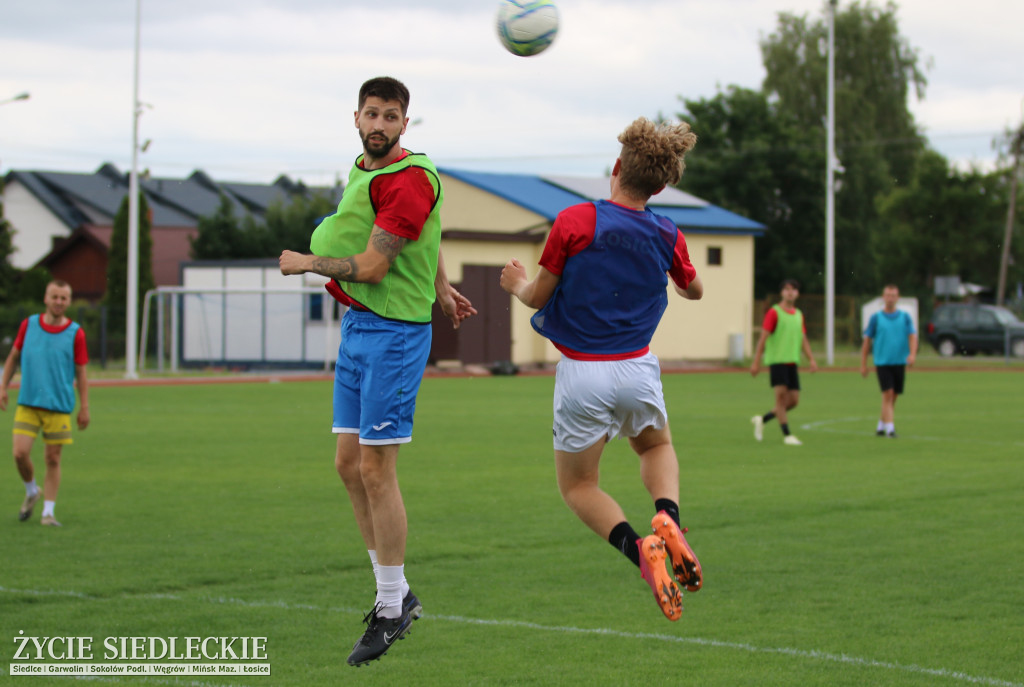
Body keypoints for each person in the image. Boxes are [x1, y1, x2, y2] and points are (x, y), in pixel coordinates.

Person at [279, 76, 475, 667]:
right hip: (360, 330)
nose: (380, 124)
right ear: (357, 118)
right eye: (372, 114)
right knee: (347, 464)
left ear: (405, 125)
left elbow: (369, 265)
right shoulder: (367, 167)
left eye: (392, 116)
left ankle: (393, 606)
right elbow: (426, 236)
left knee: (376, 466)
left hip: (394, 336)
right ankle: (395, 590)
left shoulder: (411, 178)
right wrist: (442, 285)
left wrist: (307, 262)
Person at [500, 117, 704, 622]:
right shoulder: (665, 231)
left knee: (578, 487)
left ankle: (641, 550)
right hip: (638, 368)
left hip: (583, 374)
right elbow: (694, 289)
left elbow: (538, 298)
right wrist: (683, 282)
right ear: (659, 186)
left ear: (616, 169)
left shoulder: (574, 221)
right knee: (656, 445)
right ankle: (668, 517)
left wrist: (515, 283)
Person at [1, 279, 90, 527]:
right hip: (28, 403)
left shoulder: (76, 333)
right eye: (55, 297)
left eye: (64, 298)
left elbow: (81, 372)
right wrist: (2, 387)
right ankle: (32, 491)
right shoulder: (28, 325)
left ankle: (48, 513)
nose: (59, 302)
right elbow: (13, 357)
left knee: (53, 459)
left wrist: (84, 407)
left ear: (69, 301)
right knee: (20, 454)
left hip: (59, 407)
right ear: (46, 298)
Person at [750, 279, 817, 446]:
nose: (790, 292)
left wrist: (811, 359)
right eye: (787, 289)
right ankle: (787, 435)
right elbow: (763, 338)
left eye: (793, 289)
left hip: (792, 362)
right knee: (780, 400)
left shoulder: (799, 315)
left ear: (797, 293)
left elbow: (803, 339)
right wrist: (756, 361)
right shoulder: (774, 312)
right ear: (782, 293)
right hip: (777, 362)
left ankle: (762, 419)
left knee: (793, 401)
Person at [860, 284, 917, 437]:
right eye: (888, 295)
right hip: (882, 362)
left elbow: (912, 336)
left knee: (893, 396)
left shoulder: (905, 317)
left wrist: (912, 354)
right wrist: (863, 364)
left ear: (897, 298)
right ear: (883, 297)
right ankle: (890, 429)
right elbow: (867, 342)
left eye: (893, 296)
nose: (890, 299)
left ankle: (881, 425)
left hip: (899, 361)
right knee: (888, 393)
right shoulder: (876, 318)